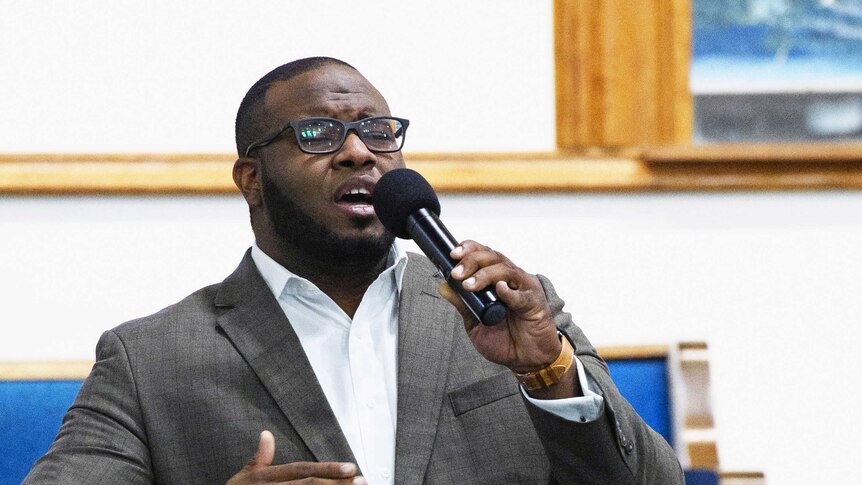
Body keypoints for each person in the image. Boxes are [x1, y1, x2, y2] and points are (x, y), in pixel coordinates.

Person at [24, 57, 683, 484]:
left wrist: (551, 371)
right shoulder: (150, 357)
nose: (359, 152)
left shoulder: (512, 316)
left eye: (377, 130)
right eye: (318, 134)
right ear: (252, 180)